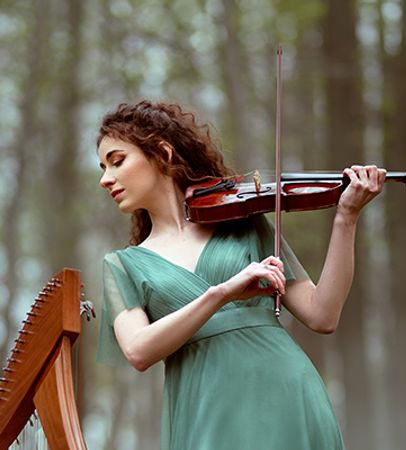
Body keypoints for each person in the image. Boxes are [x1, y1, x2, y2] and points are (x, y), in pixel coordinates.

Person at [95, 100, 385, 449]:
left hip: (286, 391)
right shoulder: (122, 264)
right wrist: (222, 293)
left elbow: (322, 315)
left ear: (162, 153)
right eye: (103, 167)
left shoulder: (243, 221)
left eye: (117, 162)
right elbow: (138, 351)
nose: (105, 179)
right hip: (206, 409)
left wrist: (347, 217)